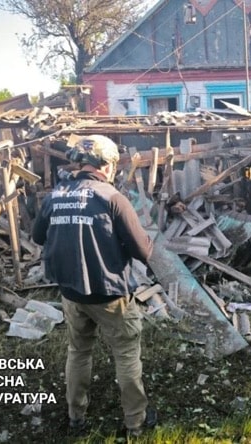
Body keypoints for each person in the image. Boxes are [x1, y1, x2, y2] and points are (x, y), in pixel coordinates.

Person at [32, 135, 157, 436]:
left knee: (78, 351)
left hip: (72, 294)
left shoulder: (55, 196)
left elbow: (37, 237)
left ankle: (76, 417)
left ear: (78, 163)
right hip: (110, 295)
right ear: (107, 165)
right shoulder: (112, 197)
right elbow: (143, 250)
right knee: (126, 354)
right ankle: (136, 423)